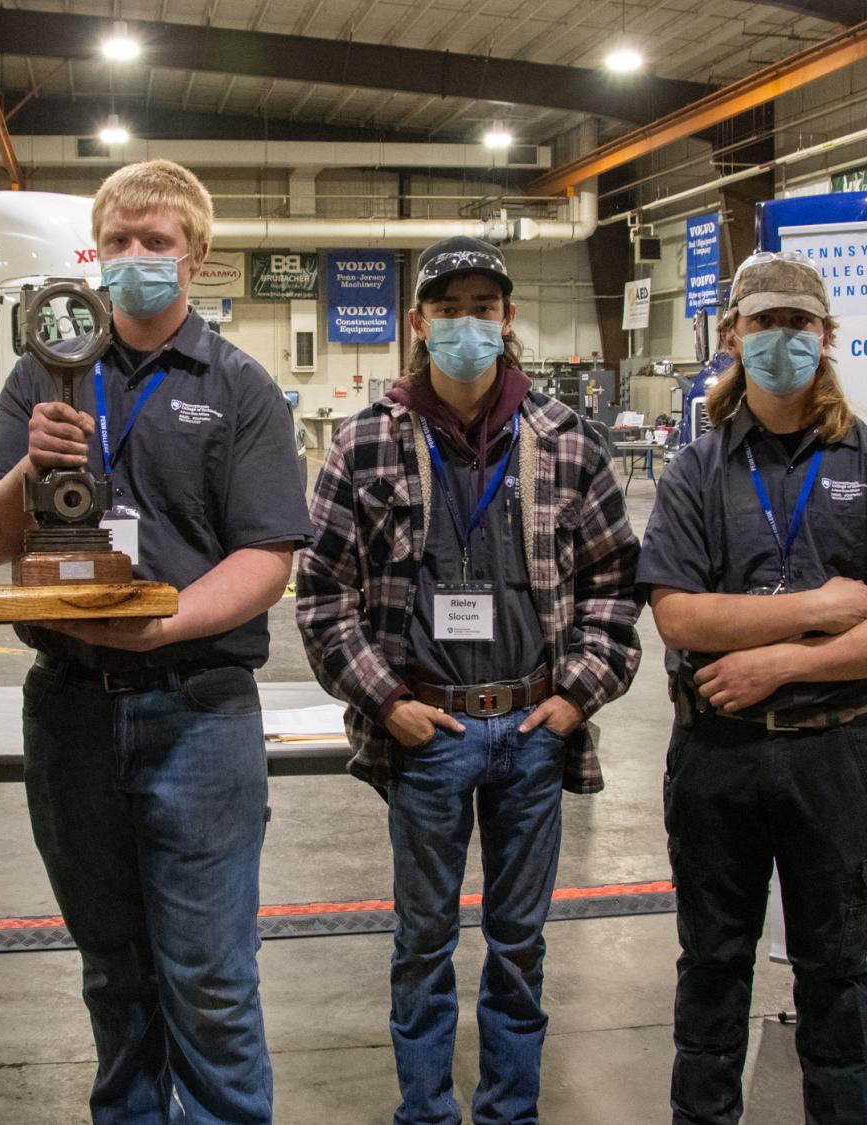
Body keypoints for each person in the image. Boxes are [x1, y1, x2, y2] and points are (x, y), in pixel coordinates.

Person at [0, 159, 311, 1124]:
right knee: (112, 975)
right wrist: (30, 464)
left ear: (194, 257)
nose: (134, 259)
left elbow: (266, 557)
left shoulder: (241, 387)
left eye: (155, 243)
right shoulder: (44, 375)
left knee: (208, 978)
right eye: (117, 242)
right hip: (70, 710)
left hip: (198, 709)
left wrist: (160, 624)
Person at [296, 236, 641, 1125]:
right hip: (428, 736)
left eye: (483, 309)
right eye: (447, 310)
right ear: (417, 322)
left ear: (508, 320)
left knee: (520, 943)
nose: (465, 325)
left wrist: (577, 697)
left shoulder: (567, 443)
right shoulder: (365, 444)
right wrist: (388, 703)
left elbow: (614, 584)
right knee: (422, 940)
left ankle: (508, 1112)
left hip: (532, 730)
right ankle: (426, 1113)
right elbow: (323, 596)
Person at [637, 251, 867, 1125]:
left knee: (834, 969)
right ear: (732, 337)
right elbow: (679, 617)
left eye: (799, 324)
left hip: (834, 751)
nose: (781, 339)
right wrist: (822, 608)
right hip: (718, 755)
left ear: (826, 339)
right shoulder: (696, 473)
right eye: (763, 323)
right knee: (712, 962)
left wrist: (783, 661)